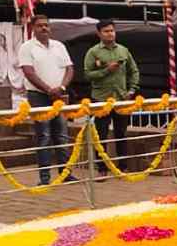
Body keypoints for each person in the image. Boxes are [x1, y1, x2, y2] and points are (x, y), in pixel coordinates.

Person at [18, 15, 77, 185]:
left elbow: (70, 69)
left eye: (46, 25)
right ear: (32, 28)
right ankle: (45, 178)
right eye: (40, 26)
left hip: (59, 95)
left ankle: (65, 173)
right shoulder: (26, 48)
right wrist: (48, 89)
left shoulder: (59, 46)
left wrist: (62, 88)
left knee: (62, 135)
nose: (44, 28)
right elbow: (29, 72)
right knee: (43, 136)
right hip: (38, 96)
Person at [83, 19, 140, 175]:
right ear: (99, 33)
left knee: (121, 133)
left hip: (121, 99)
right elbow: (87, 75)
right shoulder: (93, 52)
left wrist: (132, 90)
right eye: (106, 31)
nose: (110, 34)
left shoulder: (123, 50)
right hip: (101, 99)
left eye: (112, 30)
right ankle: (102, 168)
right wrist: (107, 70)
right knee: (101, 135)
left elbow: (134, 71)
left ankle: (123, 167)